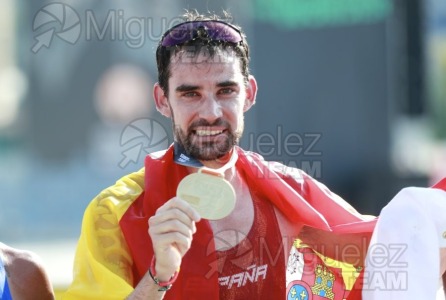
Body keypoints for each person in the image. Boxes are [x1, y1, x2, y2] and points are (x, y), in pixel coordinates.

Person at [63, 11, 444, 300]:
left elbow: (389, 250)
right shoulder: (116, 214)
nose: (210, 111)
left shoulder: (290, 192)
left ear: (249, 94)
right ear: (162, 100)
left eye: (225, 90)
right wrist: (159, 277)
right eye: (190, 93)